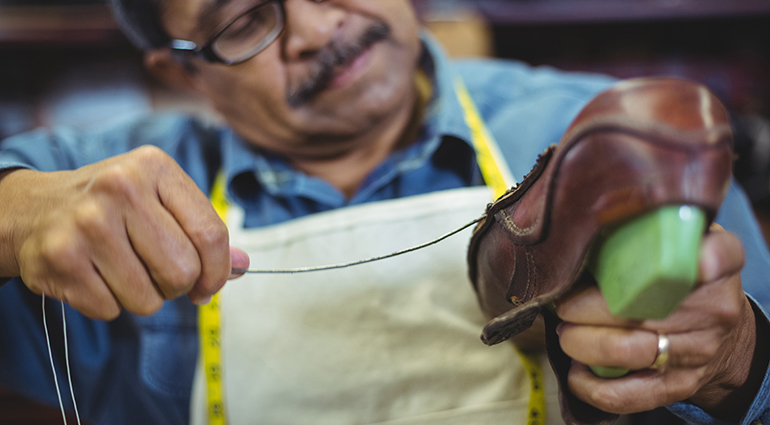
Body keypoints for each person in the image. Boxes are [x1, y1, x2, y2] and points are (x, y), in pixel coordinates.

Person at [0, 0, 767, 424]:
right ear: (184, 73)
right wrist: (18, 211)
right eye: (244, 21)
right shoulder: (99, 177)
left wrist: (734, 359)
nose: (314, 30)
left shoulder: (625, 139)